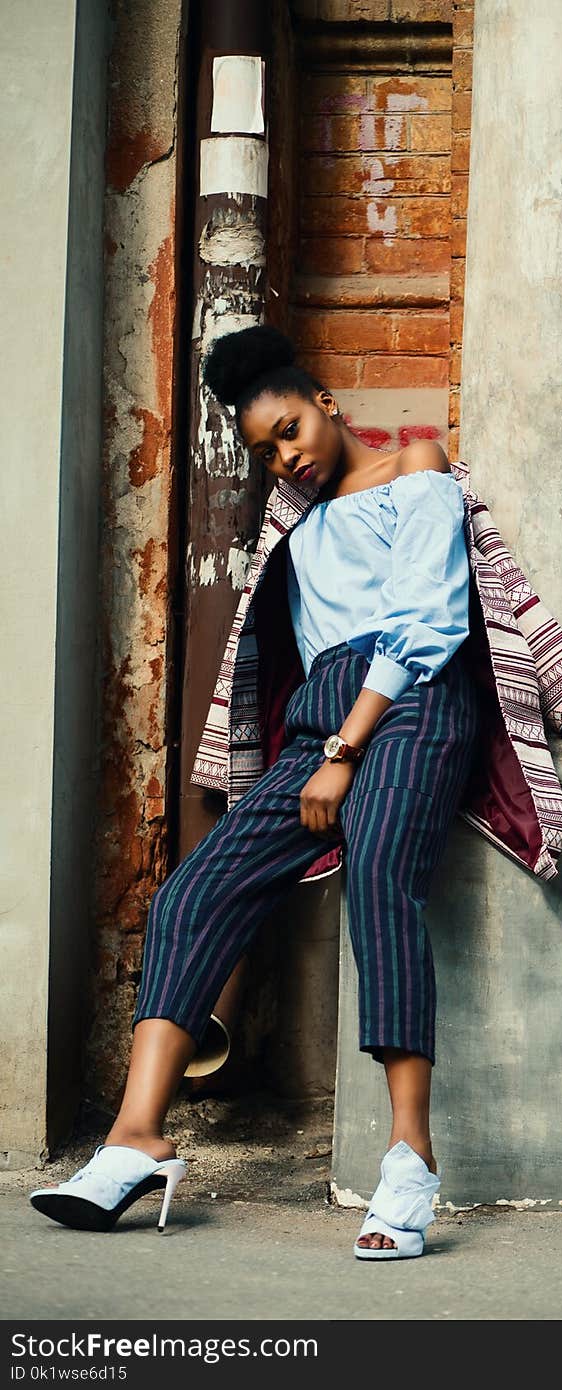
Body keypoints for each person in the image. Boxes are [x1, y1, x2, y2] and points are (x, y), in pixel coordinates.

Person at [29, 325, 481, 1261]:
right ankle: (136, 1140)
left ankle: (409, 1158)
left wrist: (346, 750)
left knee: (385, 874)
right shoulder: (298, 524)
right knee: (193, 893)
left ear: (325, 401)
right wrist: (324, 746)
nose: (288, 458)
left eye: (290, 431)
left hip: (410, 705)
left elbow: (428, 620)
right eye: (268, 450)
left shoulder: (415, 467)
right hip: (321, 726)